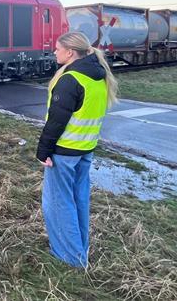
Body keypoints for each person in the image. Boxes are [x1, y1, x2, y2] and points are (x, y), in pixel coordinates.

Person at [36, 31, 118, 268]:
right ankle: (80, 248)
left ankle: (70, 258)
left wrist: (43, 152)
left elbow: (56, 121)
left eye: (57, 48)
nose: (54, 52)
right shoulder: (98, 76)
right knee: (78, 200)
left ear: (70, 52)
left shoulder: (70, 79)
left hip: (65, 151)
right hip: (86, 149)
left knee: (59, 204)